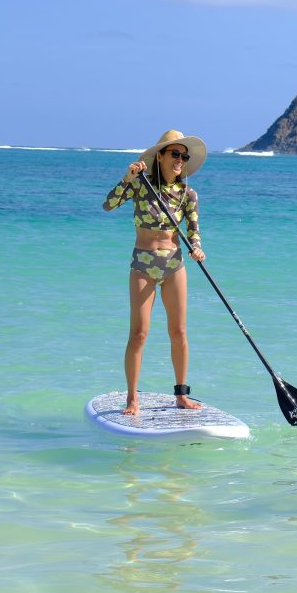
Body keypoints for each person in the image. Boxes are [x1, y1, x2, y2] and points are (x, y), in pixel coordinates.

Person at [103, 129, 208, 416]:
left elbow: (194, 231)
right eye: (175, 154)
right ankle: (131, 398)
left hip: (174, 265)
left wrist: (197, 248)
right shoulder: (140, 185)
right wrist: (127, 179)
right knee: (139, 333)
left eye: (183, 156)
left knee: (179, 331)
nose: (180, 160)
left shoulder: (188, 194)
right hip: (143, 264)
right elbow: (108, 205)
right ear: (159, 155)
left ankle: (181, 394)